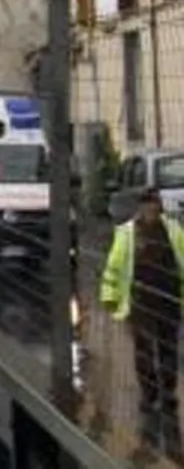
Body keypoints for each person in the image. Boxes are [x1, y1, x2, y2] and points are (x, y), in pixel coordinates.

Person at [102, 187, 184, 449]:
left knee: (169, 350)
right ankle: (149, 396)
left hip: (169, 301)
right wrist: (110, 295)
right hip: (140, 302)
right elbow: (114, 266)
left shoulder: (173, 230)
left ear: (159, 207)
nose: (151, 210)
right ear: (140, 207)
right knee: (144, 351)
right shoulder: (127, 233)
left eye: (155, 205)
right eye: (147, 205)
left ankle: (168, 394)